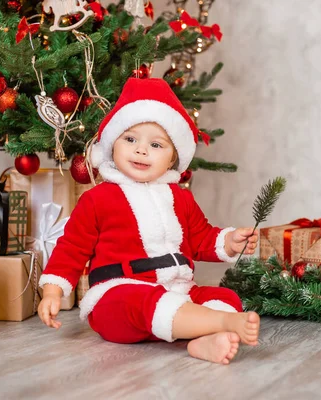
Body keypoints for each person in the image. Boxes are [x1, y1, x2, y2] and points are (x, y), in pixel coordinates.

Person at [38, 77, 260, 365]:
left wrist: (229, 242)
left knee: (223, 294)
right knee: (138, 302)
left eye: (156, 145)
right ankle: (222, 323)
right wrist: (53, 290)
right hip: (118, 293)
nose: (141, 150)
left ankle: (203, 339)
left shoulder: (180, 198)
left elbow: (202, 238)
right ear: (112, 145)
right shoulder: (98, 198)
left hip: (178, 290)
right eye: (130, 139)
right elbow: (72, 248)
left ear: (172, 159)